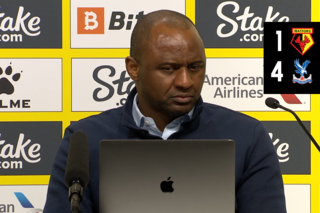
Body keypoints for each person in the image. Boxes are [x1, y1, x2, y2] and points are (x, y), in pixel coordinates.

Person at [43, 10, 287, 213]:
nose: (185, 81)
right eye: (169, 68)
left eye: (195, 67)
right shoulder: (85, 139)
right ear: (134, 68)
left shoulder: (247, 136)